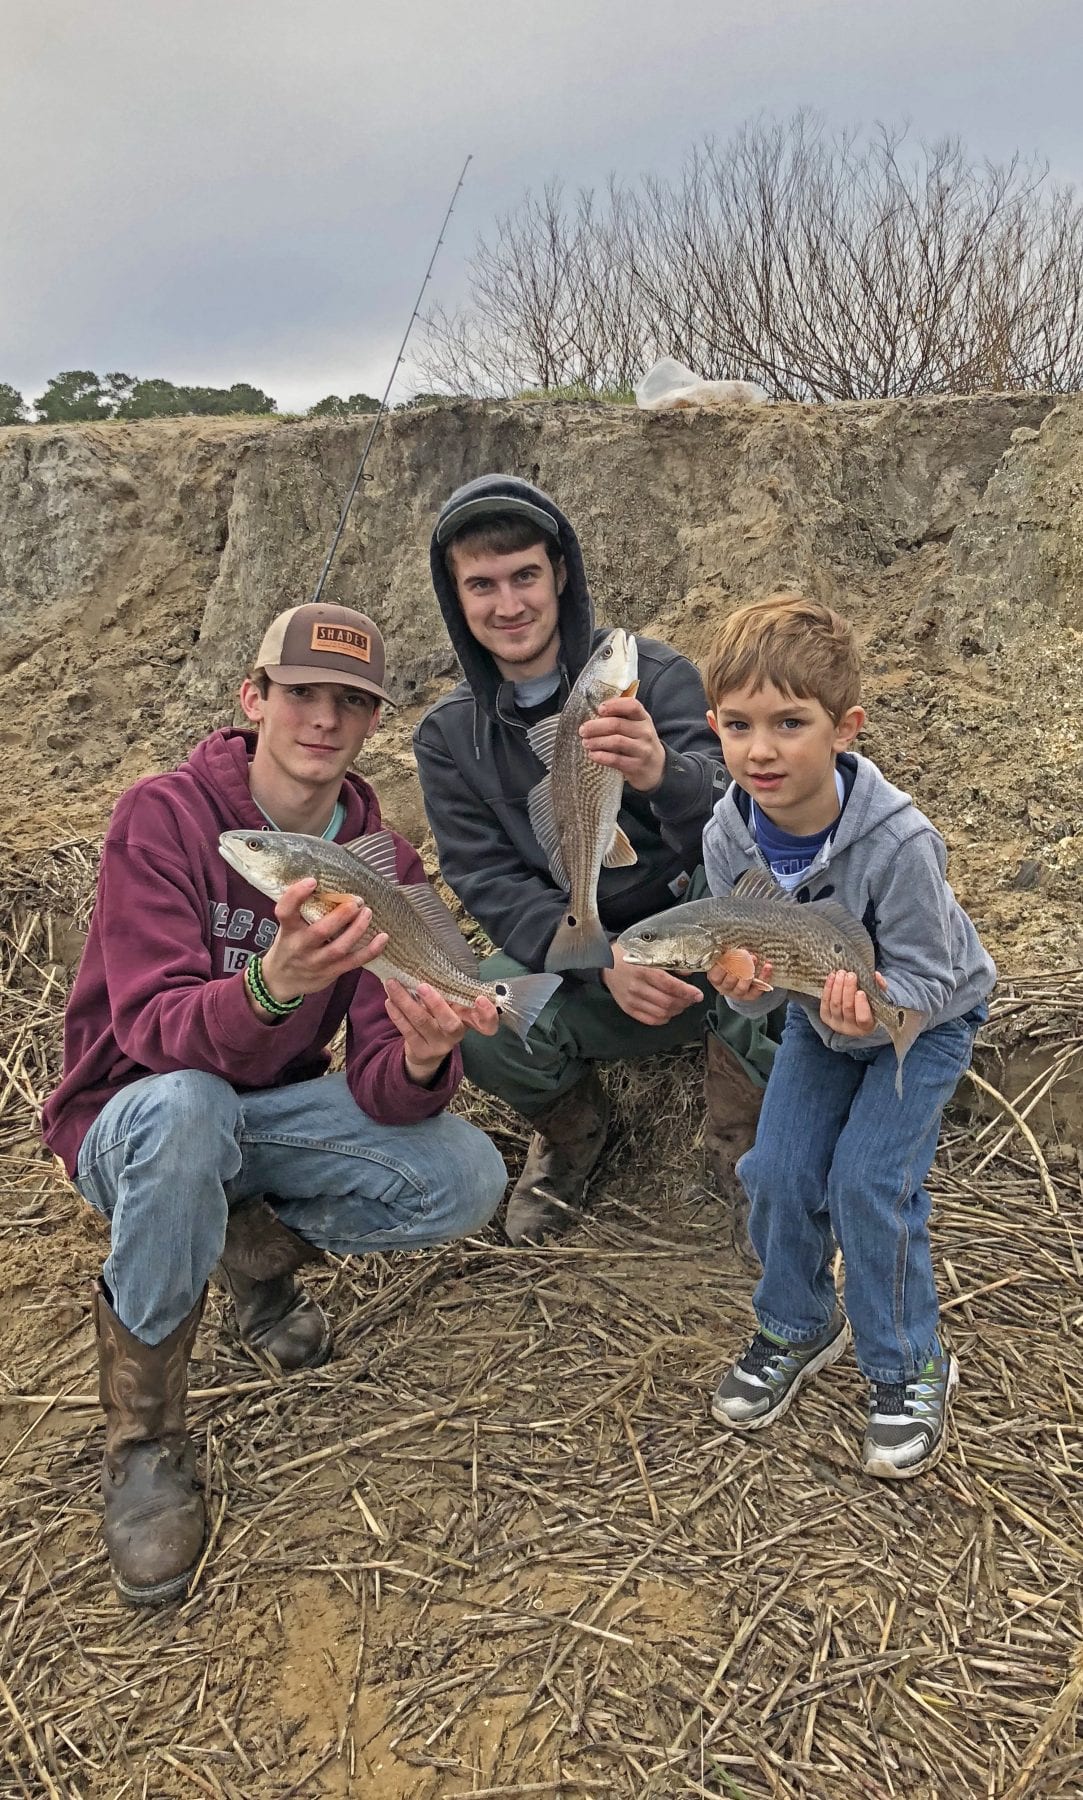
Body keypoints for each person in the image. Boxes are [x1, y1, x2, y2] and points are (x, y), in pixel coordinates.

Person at [42, 602, 508, 1607]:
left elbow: (385, 1087)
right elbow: (151, 1033)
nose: (323, 720)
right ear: (254, 699)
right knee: (188, 1107)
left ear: (371, 724)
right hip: (137, 1121)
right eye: (300, 694)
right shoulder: (163, 817)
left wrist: (428, 1053)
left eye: (351, 703)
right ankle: (147, 1439)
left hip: (261, 1123)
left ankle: (247, 1247)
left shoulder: (384, 863)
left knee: (468, 1173)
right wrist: (274, 985)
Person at [413, 475, 777, 1247]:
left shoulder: (656, 673)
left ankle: (743, 1151)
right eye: (481, 584)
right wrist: (601, 962)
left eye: (524, 576)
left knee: (758, 903)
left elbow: (753, 815)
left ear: (560, 575)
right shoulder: (448, 736)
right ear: (456, 597)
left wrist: (661, 773)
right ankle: (574, 1133)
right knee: (475, 1007)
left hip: (708, 959)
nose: (508, 604)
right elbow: (486, 883)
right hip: (596, 969)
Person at [700, 594, 995, 1478]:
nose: (761, 749)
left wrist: (878, 1010)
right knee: (779, 1170)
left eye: (790, 722)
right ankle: (797, 1322)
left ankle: (909, 1366)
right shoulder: (726, 834)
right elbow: (756, 993)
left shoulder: (900, 844)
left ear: (844, 727)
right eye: (740, 724)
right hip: (818, 1024)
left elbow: (936, 977)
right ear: (713, 726)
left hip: (923, 1023)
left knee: (868, 1182)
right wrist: (744, 986)